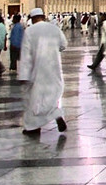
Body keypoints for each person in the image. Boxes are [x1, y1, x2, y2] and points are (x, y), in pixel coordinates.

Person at [17, 8, 68, 137]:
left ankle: (33, 127)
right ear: (43, 17)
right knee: (51, 95)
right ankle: (55, 114)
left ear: (33, 19)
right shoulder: (54, 29)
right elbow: (63, 45)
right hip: (53, 68)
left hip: (37, 70)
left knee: (33, 100)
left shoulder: (29, 31)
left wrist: (23, 75)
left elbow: (26, 54)